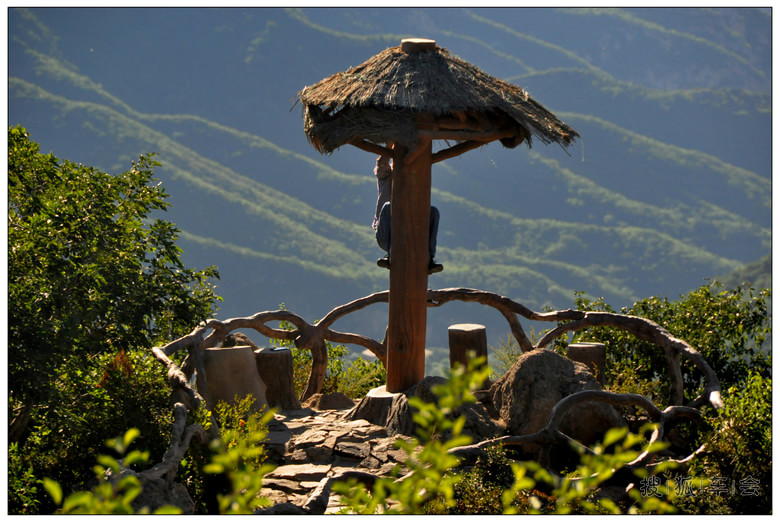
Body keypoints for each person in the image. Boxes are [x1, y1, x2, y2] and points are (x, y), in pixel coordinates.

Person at [372, 154, 443, 274]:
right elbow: (382, 162)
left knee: (433, 211)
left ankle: (429, 258)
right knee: (388, 206)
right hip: (386, 236)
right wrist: (392, 146)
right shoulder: (386, 176)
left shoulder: (412, 184)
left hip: (406, 232)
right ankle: (390, 255)